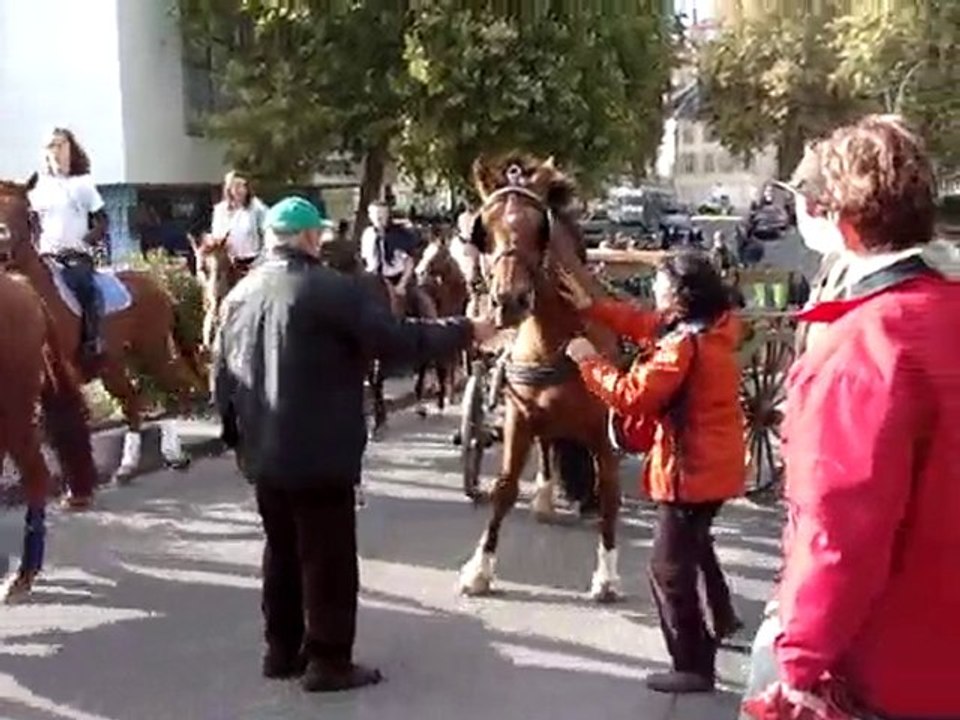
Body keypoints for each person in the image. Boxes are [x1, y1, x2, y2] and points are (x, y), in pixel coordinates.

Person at [213, 196, 495, 694]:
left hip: (264, 453)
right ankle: (328, 661)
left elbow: (223, 379)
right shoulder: (331, 290)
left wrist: (238, 439)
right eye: (317, 235)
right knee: (328, 557)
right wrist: (466, 330)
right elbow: (398, 340)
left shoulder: (239, 294)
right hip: (321, 451)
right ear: (306, 238)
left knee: (280, 551)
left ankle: (281, 651)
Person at [741, 115, 960, 720]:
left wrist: (799, 665)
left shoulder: (862, 345)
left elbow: (838, 530)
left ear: (835, 220)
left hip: (893, 674)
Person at [557, 251, 745, 694]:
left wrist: (587, 361)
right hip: (710, 466)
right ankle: (717, 624)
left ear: (679, 295)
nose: (654, 291)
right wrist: (591, 306)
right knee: (689, 552)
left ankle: (693, 666)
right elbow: (639, 323)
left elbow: (631, 396)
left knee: (667, 570)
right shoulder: (704, 331)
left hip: (690, 470)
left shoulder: (682, 347)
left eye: (660, 283)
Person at [28, 127, 108, 369]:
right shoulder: (37, 189)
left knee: (86, 287)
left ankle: (92, 341)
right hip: (45, 256)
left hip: (75, 257)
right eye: (51, 145)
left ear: (71, 148)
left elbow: (102, 220)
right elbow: (30, 222)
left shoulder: (82, 184)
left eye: (61, 144)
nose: (56, 150)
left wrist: (88, 239)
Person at [360, 201, 436, 318]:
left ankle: (430, 325)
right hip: (374, 279)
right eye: (375, 214)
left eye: (381, 214)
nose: (378, 218)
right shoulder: (367, 235)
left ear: (387, 215)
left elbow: (409, 262)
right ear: (370, 216)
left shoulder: (400, 234)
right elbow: (365, 259)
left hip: (398, 278)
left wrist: (402, 284)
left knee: (421, 301)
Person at [210, 170, 267, 275]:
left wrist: (259, 262)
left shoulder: (257, 209)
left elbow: (267, 235)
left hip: (253, 262)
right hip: (228, 265)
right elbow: (216, 236)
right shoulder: (221, 210)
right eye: (234, 186)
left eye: (241, 186)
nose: (238, 190)